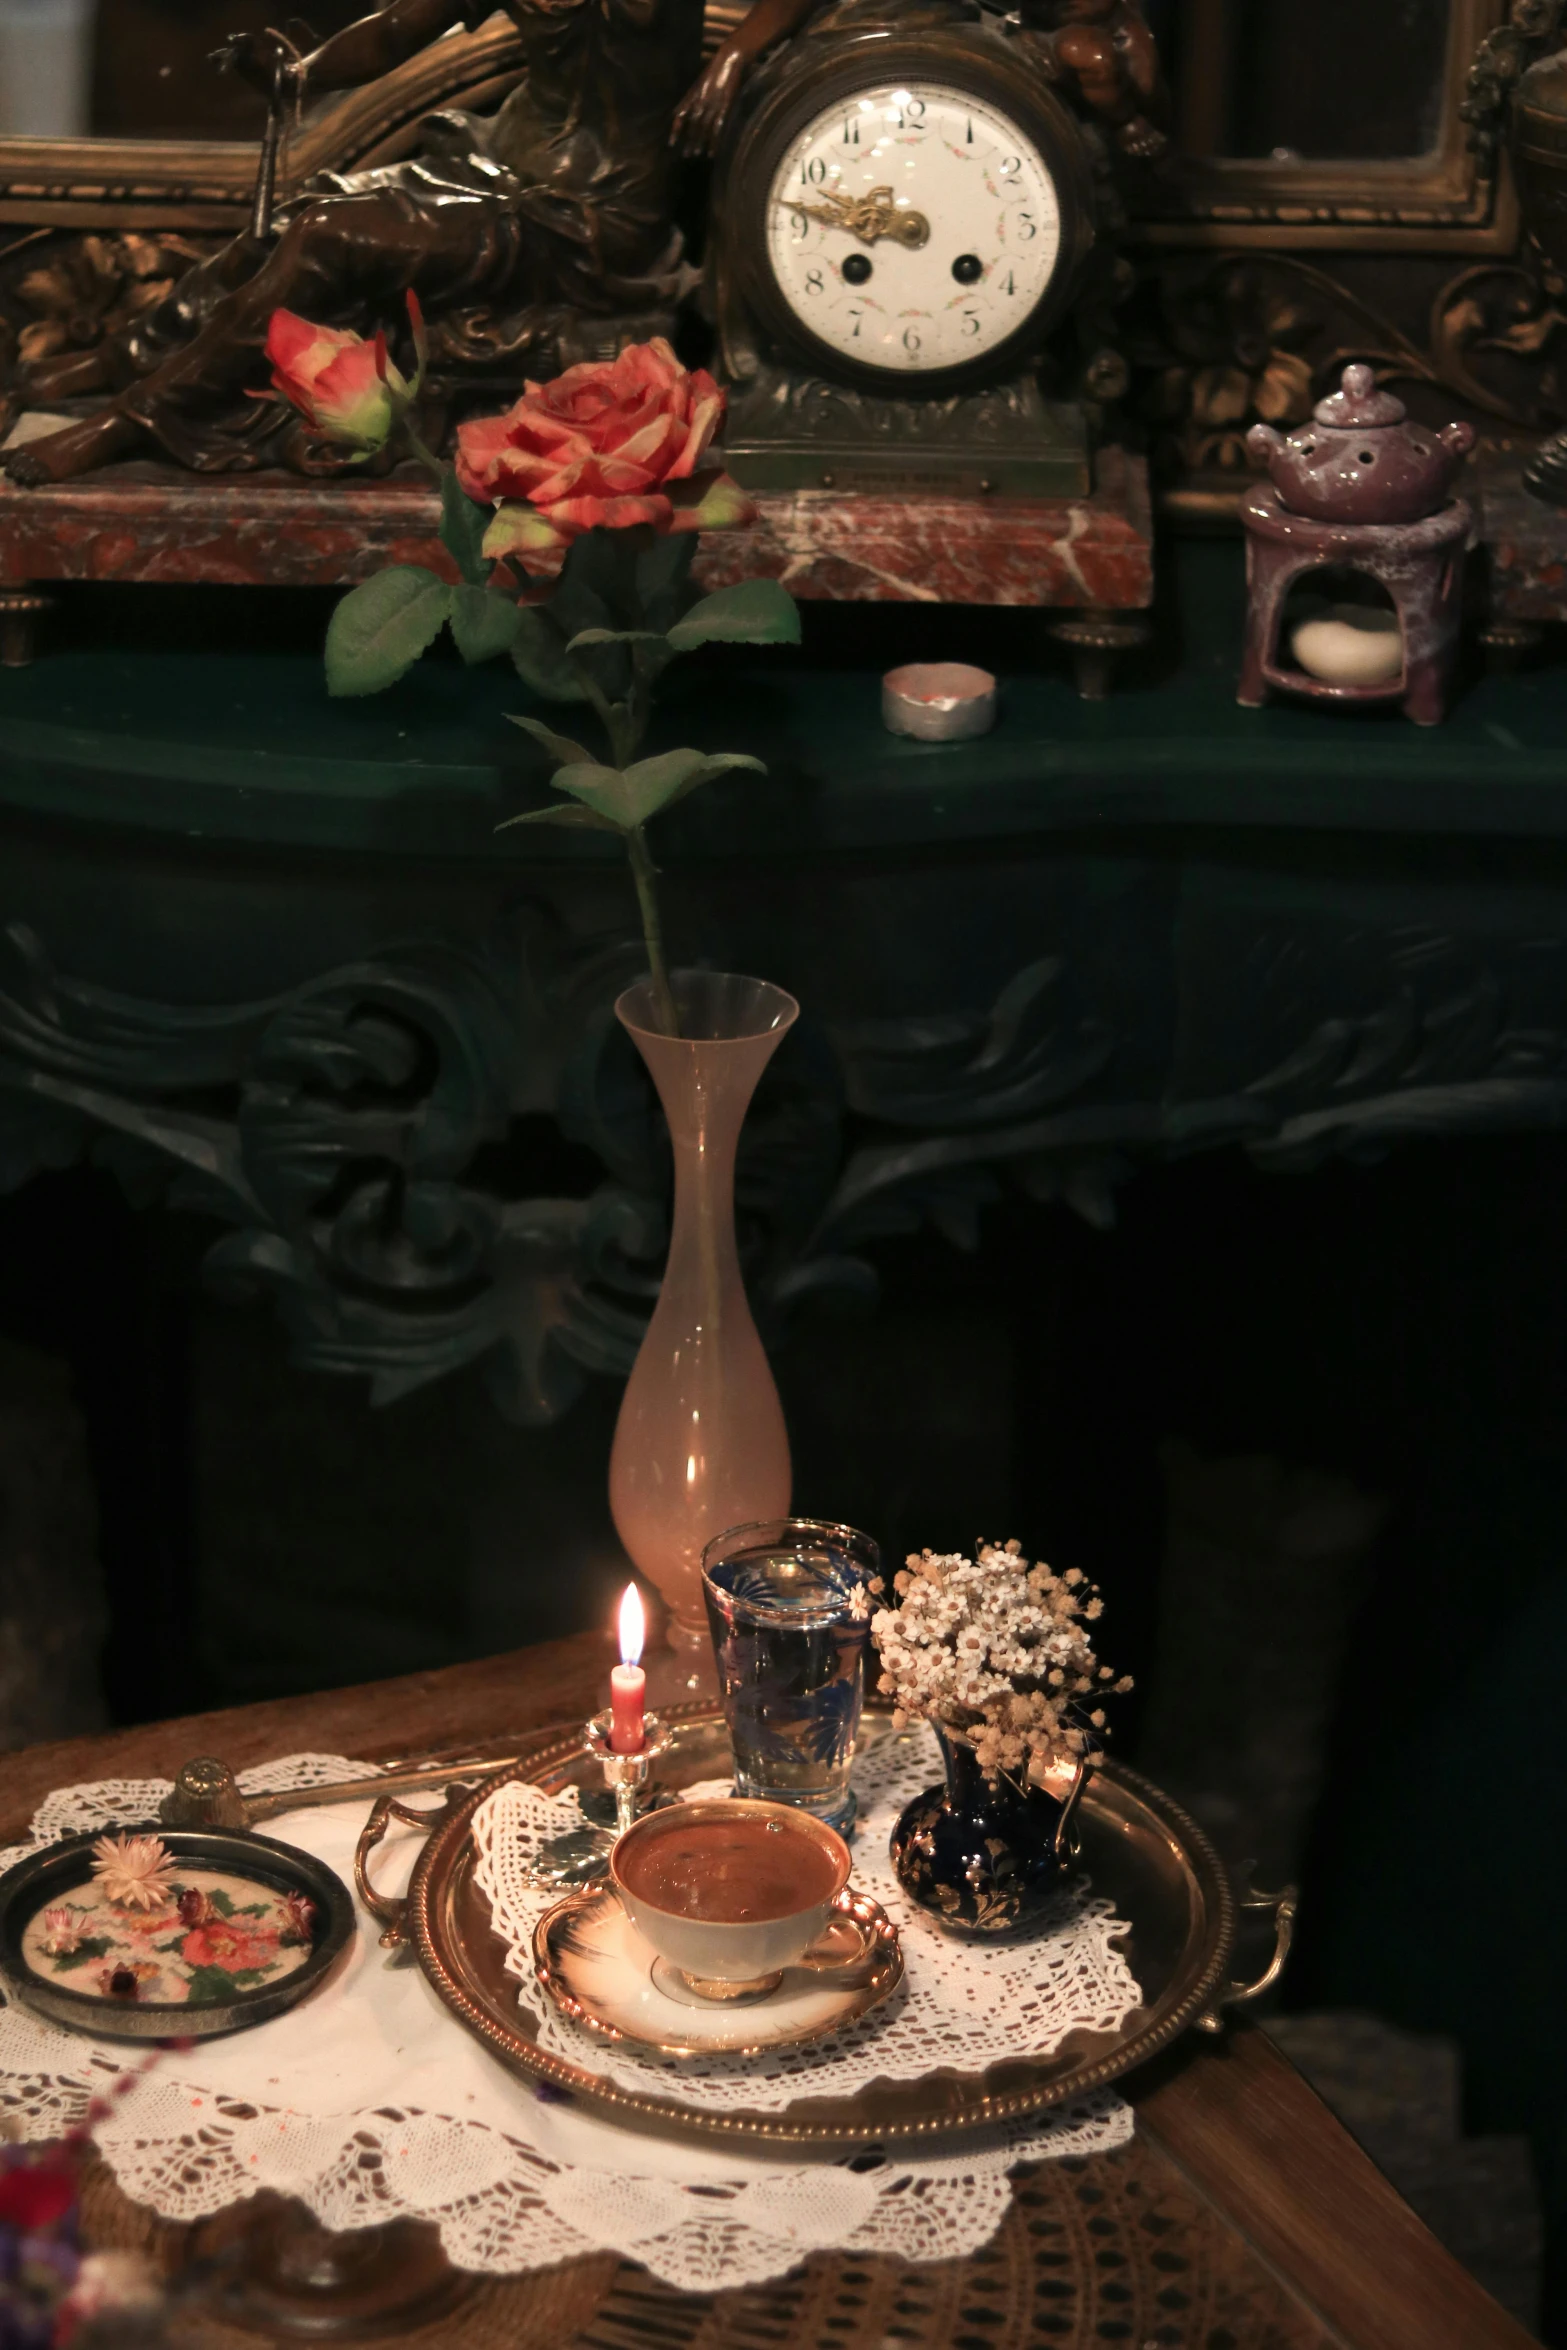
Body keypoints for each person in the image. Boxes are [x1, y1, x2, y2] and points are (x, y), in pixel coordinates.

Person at [7, 0, 705, 481]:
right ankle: (126, 355)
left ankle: (140, 418)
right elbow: (397, 29)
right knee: (301, 212)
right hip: (503, 162)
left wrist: (734, 59)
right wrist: (302, 74)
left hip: (587, 218)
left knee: (324, 234)